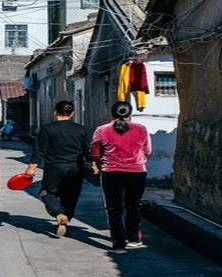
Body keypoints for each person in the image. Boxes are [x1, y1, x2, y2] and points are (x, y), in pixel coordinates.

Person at [91, 101, 151, 253]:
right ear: (130, 114)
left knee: (114, 208)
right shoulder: (141, 129)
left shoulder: (101, 130)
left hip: (111, 173)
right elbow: (148, 151)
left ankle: (118, 244)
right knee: (134, 206)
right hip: (137, 172)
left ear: (111, 113)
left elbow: (96, 153)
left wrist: (99, 164)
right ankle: (134, 239)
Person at [24, 101, 91, 237]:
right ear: (72, 114)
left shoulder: (47, 129)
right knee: (71, 196)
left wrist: (31, 167)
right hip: (75, 168)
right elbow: (87, 151)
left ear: (55, 113)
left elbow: (40, 150)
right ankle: (65, 217)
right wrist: (93, 165)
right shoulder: (82, 129)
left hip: (54, 168)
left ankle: (58, 213)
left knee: (47, 193)